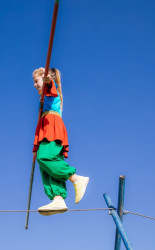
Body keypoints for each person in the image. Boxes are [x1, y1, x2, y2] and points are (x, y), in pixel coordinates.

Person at [32, 67, 89, 215]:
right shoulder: (43, 98)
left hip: (51, 127)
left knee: (45, 157)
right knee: (47, 167)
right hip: (46, 127)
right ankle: (58, 199)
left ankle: (76, 178)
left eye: (36, 80)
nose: (34, 84)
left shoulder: (50, 90)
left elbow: (51, 86)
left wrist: (48, 80)